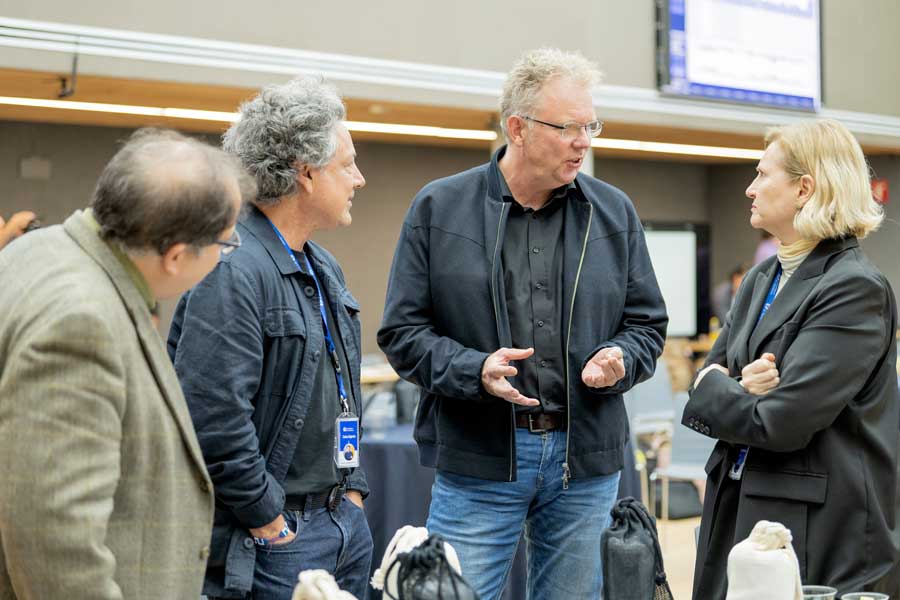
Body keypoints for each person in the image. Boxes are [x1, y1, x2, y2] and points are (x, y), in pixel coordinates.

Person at [377, 48, 668, 600]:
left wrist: (622, 359)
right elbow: (402, 332)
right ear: (518, 127)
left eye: (592, 126)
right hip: (479, 462)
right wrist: (473, 369)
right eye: (569, 127)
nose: (585, 141)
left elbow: (647, 323)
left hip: (585, 466)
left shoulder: (613, 212)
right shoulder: (439, 208)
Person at [0, 128, 251, 598]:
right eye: (226, 244)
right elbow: (56, 544)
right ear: (176, 256)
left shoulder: (40, 248)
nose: (224, 257)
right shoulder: (81, 323)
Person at [167, 76, 372, 600]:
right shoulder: (233, 270)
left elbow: (341, 390)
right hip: (277, 541)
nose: (360, 178)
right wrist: (267, 519)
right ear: (305, 173)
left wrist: (353, 491)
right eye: (346, 164)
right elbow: (212, 415)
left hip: (339, 524)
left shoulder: (321, 265)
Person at [685, 119, 900, 598]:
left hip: (815, 525)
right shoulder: (762, 276)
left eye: (763, 175)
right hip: (737, 504)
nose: (749, 188)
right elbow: (703, 383)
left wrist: (721, 386)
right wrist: (732, 386)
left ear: (804, 189)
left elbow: (784, 421)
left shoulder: (853, 287)